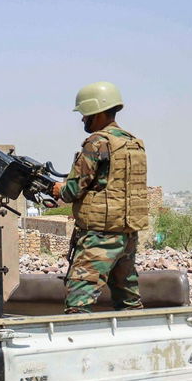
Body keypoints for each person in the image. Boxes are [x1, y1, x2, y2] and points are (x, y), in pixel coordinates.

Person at [49, 81, 149, 313]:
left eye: (85, 114)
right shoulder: (132, 143)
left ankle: (79, 347)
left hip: (100, 237)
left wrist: (58, 190)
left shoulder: (96, 143)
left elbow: (73, 190)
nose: (83, 119)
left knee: (78, 303)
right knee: (128, 300)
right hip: (126, 234)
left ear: (98, 112)